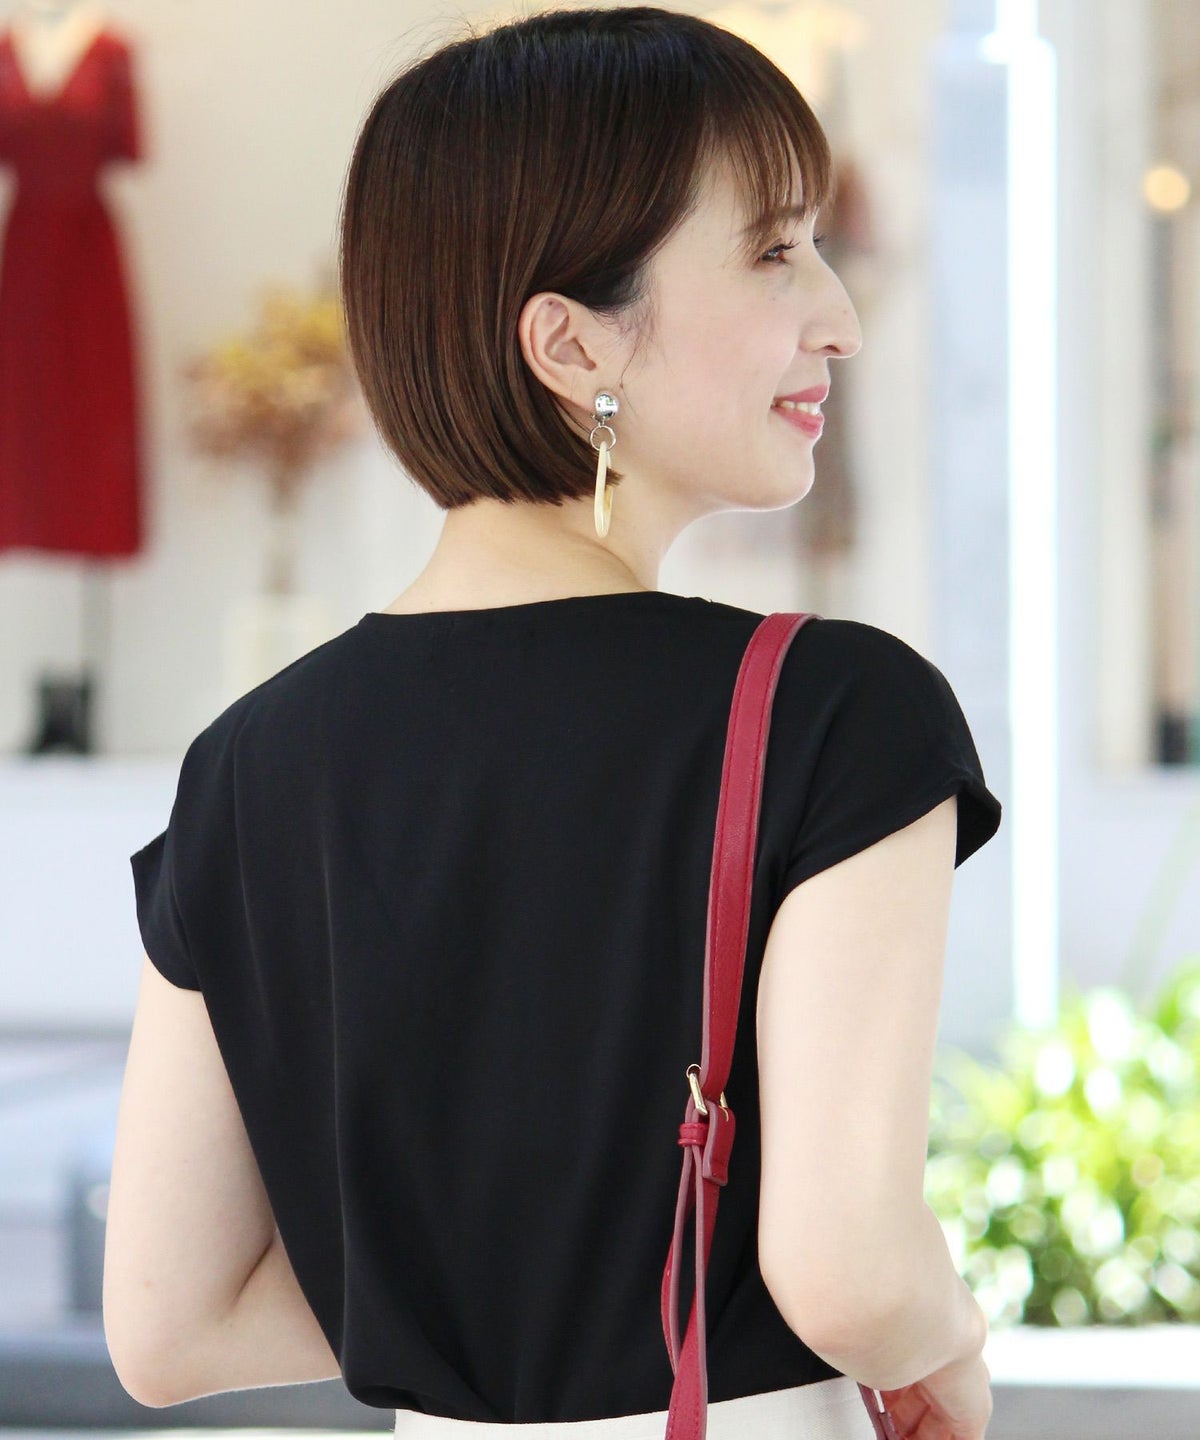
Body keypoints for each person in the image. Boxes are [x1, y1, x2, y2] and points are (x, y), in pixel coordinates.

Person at [103, 8, 1002, 1440]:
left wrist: (479, 1301)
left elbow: (170, 1326)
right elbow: (850, 1271)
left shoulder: (247, 766)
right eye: (774, 251)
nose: (837, 315)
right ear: (571, 342)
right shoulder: (836, 710)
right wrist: (946, 1335)